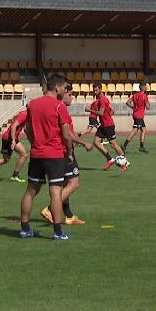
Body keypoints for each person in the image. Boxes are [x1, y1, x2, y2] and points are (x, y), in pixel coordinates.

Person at [18, 74, 73, 240]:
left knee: (30, 191)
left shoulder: (32, 104)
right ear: (57, 88)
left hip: (36, 154)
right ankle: (57, 232)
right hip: (55, 154)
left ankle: (25, 228)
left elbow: (27, 129)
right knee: (56, 191)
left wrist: (35, 143)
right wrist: (69, 152)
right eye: (64, 88)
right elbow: (66, 134)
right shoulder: (59, 106)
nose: (65, 91)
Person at [41, 85, 94, 226]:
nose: (72, 97)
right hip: (65, 152)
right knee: (74, 183)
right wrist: (84, 143)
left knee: (66, 184)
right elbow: (68, 135)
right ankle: (50, 209)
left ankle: (69, 215)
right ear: (62, 94)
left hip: (57, 152)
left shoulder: (55, 108)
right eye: (70, 94)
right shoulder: (61, 108)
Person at [87, 82, 128, 171]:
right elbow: (112, 110)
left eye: (96, 90)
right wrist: (107, 116)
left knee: (113, 144)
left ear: (100, 89)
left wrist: (89, 110)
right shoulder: (102, 99)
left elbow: (101, 113)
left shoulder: (102, 99)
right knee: (96, 142)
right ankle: (110, 158)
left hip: (108, 125)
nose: (94, 92)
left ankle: (125, 162)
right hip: (104, 125)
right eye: (93, 90)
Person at [122, 83, 149, 154]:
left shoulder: (135, 95)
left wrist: (132, 107)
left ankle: (141, 146)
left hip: (135, 115)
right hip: (139, 116)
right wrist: (148, 103)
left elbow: (127, 102)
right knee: (134, 131)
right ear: (144, 88)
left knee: (144, 130)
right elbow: (148, 107)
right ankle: (124, 145)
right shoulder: (144, 96)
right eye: (146, 87)